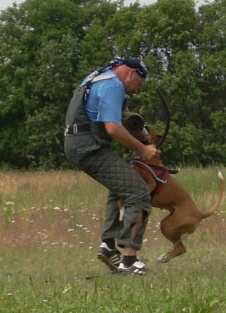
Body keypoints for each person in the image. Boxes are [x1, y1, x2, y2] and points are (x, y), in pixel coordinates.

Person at [64, 57, 159, 275]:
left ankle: (108, 245)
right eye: (139, 84)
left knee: (120, 188)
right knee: (138, 192)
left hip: (77, 142)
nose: (136, 90)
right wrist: (144, 150)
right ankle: (129, 260)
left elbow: (105, 116)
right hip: (89, 147)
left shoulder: (96, 78)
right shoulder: (113, 84)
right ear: (132, 73)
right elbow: (113, 129)